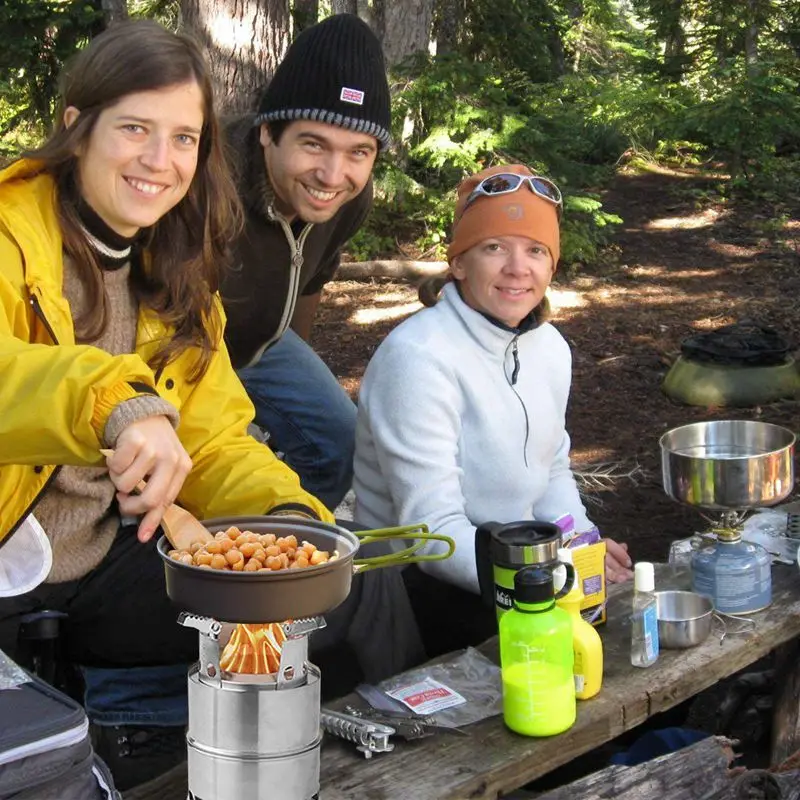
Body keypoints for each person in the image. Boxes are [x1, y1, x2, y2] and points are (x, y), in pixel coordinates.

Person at [0, 20, 422, 792]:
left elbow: (218, 434)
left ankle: (398, 767)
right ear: (76, 128)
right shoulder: (10, 236)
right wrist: (116, 403)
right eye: (135, 129)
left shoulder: (175, 263)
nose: (160, 162)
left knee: (344, 593)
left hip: (99, 558)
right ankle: (137, 735)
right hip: (8, 567)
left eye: (184, 138)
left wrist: (293, 522)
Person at [353, 164, 633, 652]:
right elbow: (430, 535)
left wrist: (584, 548)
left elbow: (551, 472)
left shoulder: (550, 347)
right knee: (573, 666)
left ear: (551, 266)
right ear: (459, 263)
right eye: (494, 248)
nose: (517, 268)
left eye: (535, 250)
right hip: (418, 590)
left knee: (627, 638)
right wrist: (548, 572)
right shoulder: (418, 358)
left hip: (521, 566)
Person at [220, 13, 391, 511]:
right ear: (268, 132)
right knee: (206, 471)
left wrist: (288, 381)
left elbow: (312, 280)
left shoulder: (350, 198)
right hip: (172, 348)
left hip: (262, 342)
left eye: (359, 151)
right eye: (313, 143)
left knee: (339, 445)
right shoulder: (206, 181)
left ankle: (278, 559)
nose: (333, 174)